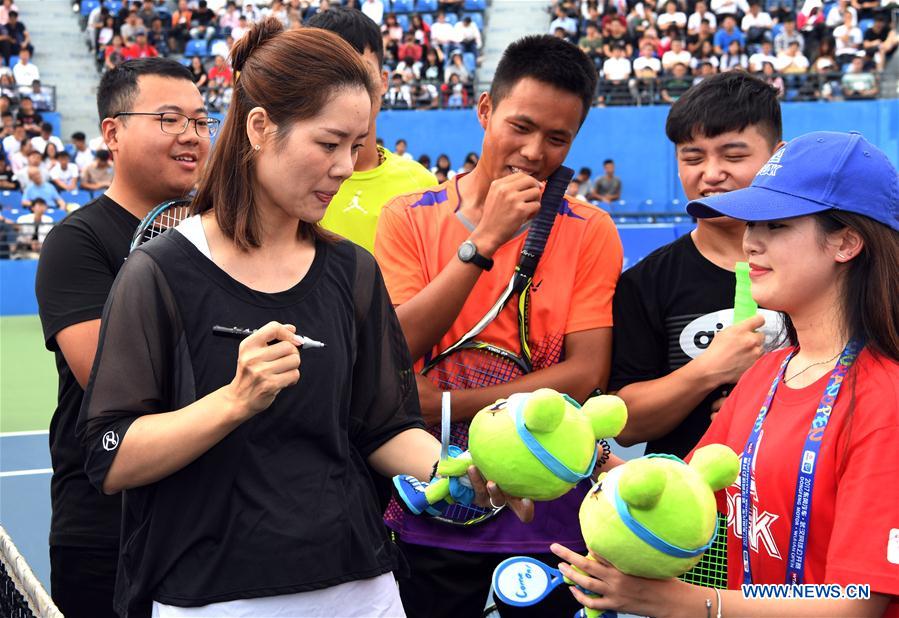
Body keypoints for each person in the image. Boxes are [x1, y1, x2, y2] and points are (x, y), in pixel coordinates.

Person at [76, 20, 525, 618]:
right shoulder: (158, 274)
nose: (345, 166)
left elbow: (384, 426)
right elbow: (110, 455)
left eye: (356, 145)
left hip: (362, 587)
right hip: (214, 597)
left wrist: (461, 471)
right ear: (260, 128)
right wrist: (234, 401)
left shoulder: (353, 271)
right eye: (328, 143)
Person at [554, 130, 899, 618]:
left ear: (845, 242)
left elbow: (856, 602)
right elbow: (683, 491)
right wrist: (565, 455)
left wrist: (685, 602)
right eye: (752, 223)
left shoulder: (885, 398)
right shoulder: (770, 372)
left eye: (776, 225)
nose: (751, 241)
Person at [375, 34, 623, 618]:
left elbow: (586, 374)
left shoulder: (590, 229)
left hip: (550, 517)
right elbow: (396, 350)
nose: (535, 152)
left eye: (557, 138)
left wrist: (450, 404)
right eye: (521, 126)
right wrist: (485, 240)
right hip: (430, 504)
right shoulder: (408, 218)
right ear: (485, 110)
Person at [34, 58, 212, 618]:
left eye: (200, 120)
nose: (191, 134)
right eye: (169, 118)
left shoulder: (222, 234)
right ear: (112, 132)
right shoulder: (77, 243)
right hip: (105, 532)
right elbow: (109, 379)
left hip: (208, 524)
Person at [610, 71, 785, 460]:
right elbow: (626, 425)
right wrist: (710, 369)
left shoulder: (818, 269)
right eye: (693, 158)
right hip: (687, 494)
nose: (711, 174)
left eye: (734, 156)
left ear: (777, 157)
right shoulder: (646, 282)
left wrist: (769, 404)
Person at [310, 6, 436, 254]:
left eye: (362, 74)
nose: (348, 91)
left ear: (384, 81)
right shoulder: (291, 185)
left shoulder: (420, 185)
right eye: (331, 75)